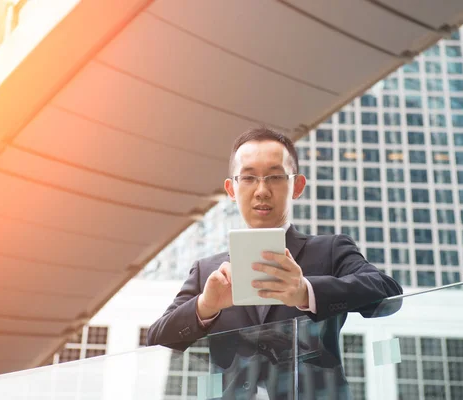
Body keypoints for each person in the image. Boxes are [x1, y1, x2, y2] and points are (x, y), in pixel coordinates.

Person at [147, 127, 403, 399]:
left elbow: (389, 294)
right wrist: (205, 307)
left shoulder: (329, 250)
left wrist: (306, 291)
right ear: (231, 189)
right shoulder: (207, 271)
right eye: (248, 177)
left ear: (298, 186)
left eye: (275, 177)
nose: (261, 190)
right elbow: (157, 340)